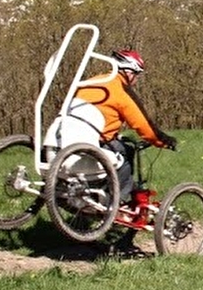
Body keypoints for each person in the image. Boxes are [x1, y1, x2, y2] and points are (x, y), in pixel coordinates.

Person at [75, 48, 177, 214]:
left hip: (70, 139)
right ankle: (118, 202)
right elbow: (144, 125)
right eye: (137, 75)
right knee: (126, 151)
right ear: (129, 72)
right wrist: (164, 141)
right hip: (96, 143)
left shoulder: (90, 82)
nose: (136, 80)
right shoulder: (120, 89)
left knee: (118, 144)